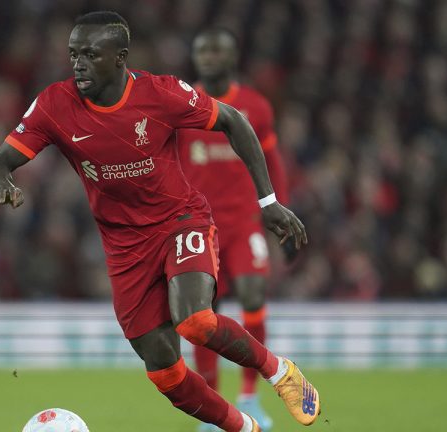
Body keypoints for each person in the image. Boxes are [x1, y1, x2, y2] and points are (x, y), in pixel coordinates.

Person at [0, 11, 320, 432]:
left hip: (181, 219)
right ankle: (243, 428)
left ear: (120, 57)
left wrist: (268, 201)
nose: (78, 64)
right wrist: (2, 182)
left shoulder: (160, 94)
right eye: (73, 54)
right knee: (165, 372)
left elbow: (235, 121)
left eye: (90, 54)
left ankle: (280, 372)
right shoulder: (54, 104)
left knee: (195, 320)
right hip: (124, 246)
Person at [176, 28, 290, 432]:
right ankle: (215, 406)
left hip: (244, 224)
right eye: (201, 50)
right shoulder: (185, 104)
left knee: (254, 292)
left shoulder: (256, 107)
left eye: (216, 50)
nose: (207, 56)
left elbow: (271, 161)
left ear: (232, 56)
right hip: (200, 226)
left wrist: (278, 207)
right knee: (204, 316)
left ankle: (249, 396)